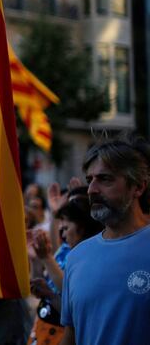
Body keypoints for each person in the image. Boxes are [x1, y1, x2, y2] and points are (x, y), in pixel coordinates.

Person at [60, 137, 150, 345]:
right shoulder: (76, 257)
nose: (91, 189)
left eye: (105, 179)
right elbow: (71, 336)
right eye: (89, 179)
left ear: (138, 187)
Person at [28, 197, 101, 345]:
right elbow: (40, 290)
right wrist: (36, 259)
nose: (63, 234)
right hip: (42, 331)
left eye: (66, 228)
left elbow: (72, 308)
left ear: (82, 228)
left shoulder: (88, 259)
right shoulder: (65, 251)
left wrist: (46, 259)